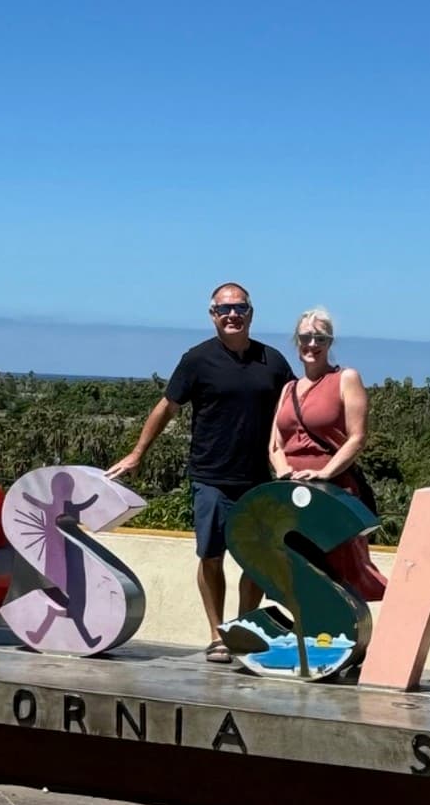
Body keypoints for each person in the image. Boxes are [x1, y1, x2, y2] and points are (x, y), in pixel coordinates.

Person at [111, 281, 293, 662]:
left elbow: (294, 412)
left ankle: (244, 633)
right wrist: (137, 453)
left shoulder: (273, 362)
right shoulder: (197, 360)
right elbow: (166, 407)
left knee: (257, 562)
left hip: (260, 480)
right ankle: (217, 636)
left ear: (250, 314)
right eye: (224, 309)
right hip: (211, 476)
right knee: (211, 556)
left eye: (239, 308)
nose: (232, 315)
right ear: (213, 315)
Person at [269, 307, 386, 603]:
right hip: (292, 495)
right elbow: (275, 444)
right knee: (294, 571)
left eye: (320, 337)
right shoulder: (289, 389)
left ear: (330, 342)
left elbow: (357, 437)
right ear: (297, 342)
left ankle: (341, 637)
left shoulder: (346, 378)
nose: (312, 344)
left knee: (338, 572)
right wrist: (284, 471)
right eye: (306, 337)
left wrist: (324, 474)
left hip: (332, 492)